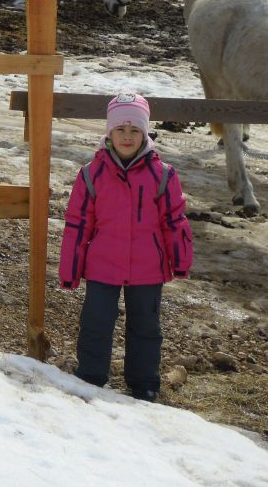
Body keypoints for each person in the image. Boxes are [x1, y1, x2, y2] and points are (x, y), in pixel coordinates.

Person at [59, 93, 193, 402]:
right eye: (121, 130)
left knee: (146, 326)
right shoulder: (91, 175)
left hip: (148, 268)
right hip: (103, 265)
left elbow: (175, 221)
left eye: (135, 131)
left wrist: (180, 260)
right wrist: (70, 270)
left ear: (145, 133)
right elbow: (78, 225)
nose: (128, 137)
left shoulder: (163, 176)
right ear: (109, 133)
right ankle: (91, 375)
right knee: (96, 322)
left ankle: (144, 382)